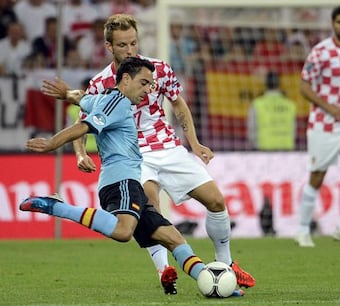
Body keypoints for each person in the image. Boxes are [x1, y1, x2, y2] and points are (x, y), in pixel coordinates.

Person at [40, 13, 255, 294]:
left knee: (215, 201)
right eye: (122, 45)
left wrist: (195, 143)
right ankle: (164, 270)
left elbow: (179, 105)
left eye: (133, 43)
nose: (130, 50)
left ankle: (226, 265)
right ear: (109, 47)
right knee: (149, 209)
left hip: (168, 147)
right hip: (133, 154)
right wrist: (80, 154)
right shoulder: (100, 83)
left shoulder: (158, 69)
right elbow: (82, 121)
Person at [295, 5, 340, 247]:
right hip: (323, 124)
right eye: (339, 22)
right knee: (317, 176)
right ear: (333, 24)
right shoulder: (321, 52)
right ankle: (303, 229)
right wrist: (329, 108)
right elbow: (304, 86)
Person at [247, 71, 296, 151]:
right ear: (279, 84)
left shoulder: (257, 104)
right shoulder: (290, 105)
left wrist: (255, 145)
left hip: (264, 147)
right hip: (286, 148)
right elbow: (293, 129)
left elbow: (251, 129)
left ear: (265, 84)